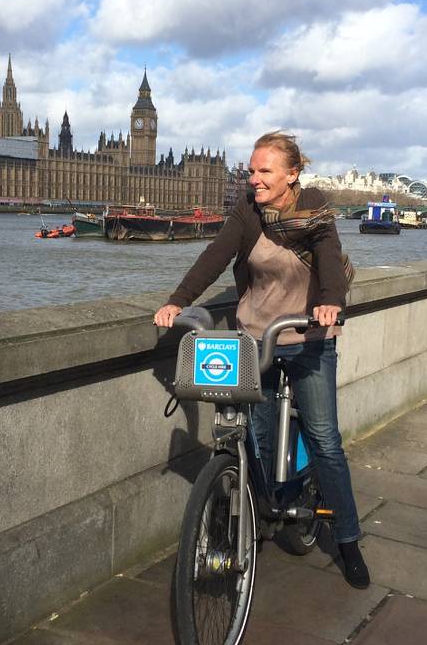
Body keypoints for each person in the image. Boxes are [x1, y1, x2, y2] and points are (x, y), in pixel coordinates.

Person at [153, 131, 369, 589]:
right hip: (258, 337)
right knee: (258, 435)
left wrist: (331, 301)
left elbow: (330, 261)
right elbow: (215, 256)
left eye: (264, 171)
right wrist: (178, 300)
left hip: (309, 336)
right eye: (251, 170)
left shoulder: (316, 212)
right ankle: (267, 505)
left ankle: (348, 540)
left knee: (325, 439)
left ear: (292, 174)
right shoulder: (247, 213)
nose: (254, 179)